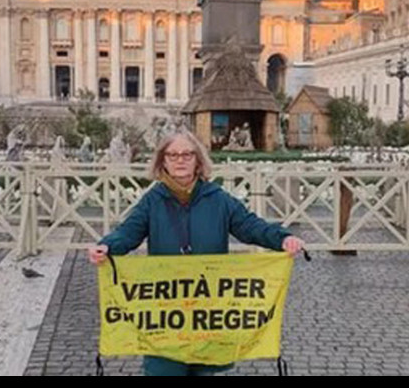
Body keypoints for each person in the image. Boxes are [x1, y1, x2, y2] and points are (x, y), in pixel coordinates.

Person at [88, 130, 305, 376]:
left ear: (198, 161)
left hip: (208, 309)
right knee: (164, 370)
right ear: (163, 161)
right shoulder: (153, 201)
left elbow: (251, 226)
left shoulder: (218, 199)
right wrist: (107, 246)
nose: (180, 160)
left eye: (187, 154)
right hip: (165, 310)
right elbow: (128, 232)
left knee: (205, 370)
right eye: (172, 155)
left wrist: (283, 238)